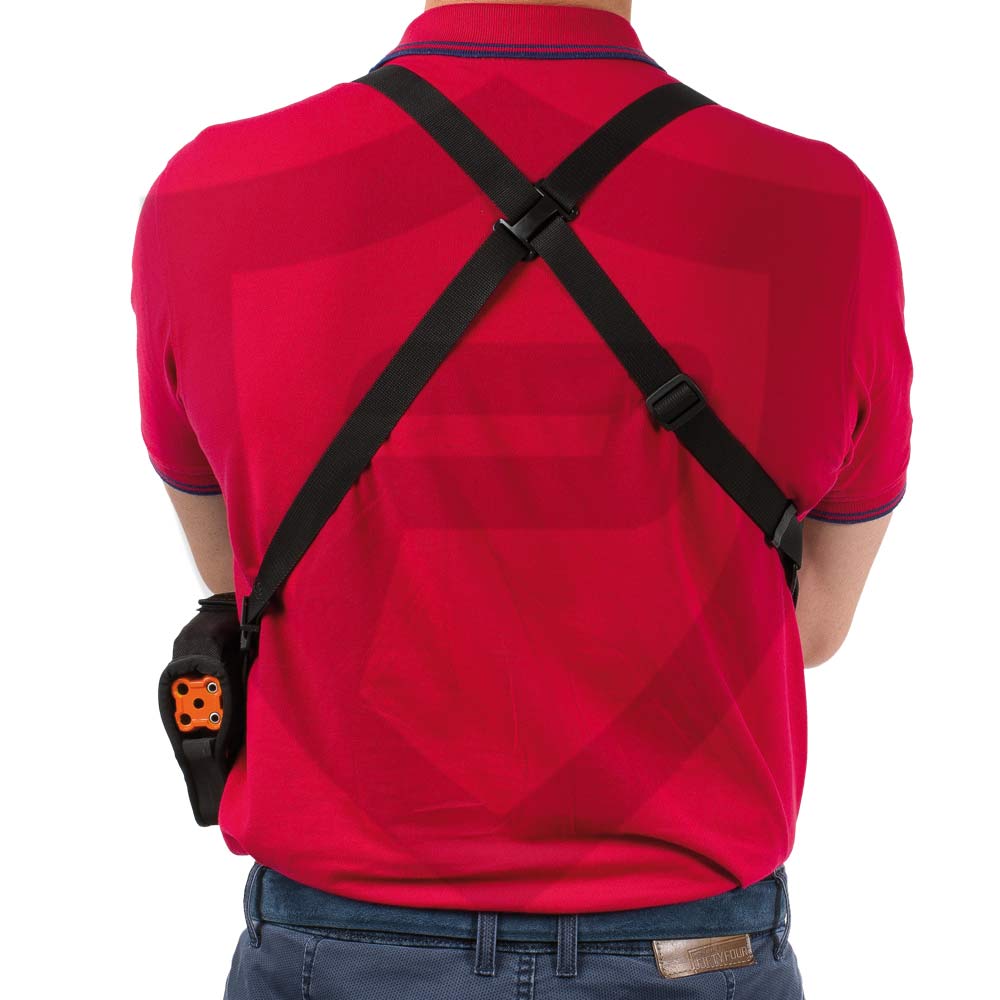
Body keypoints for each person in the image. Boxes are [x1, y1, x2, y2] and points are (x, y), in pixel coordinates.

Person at [131, 1, 913, 997]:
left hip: (336, 946)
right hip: (691, 952)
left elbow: (246, 578)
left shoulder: (211, 194)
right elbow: (814, 619)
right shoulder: (823, 208)